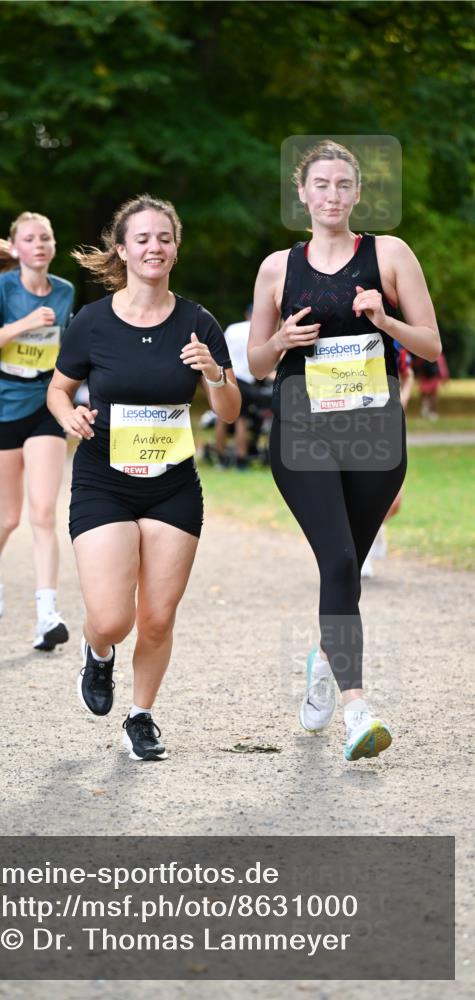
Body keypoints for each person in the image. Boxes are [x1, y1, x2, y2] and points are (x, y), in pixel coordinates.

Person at [248, 140, 441, 761]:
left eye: (342, 185)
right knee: (336, 558)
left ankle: (323, 661)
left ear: (357, 195)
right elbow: (253, 361)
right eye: (320, 184)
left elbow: (433, 346)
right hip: (303, 432)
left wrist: (385, 322)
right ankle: (357, 707)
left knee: (345, 569)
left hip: (374, 433)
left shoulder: (390, 254)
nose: (331, 195)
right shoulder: (278, 267)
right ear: (302, 195)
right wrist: (279, 338)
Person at [47, 195, 240, 761]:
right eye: (142, 239)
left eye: (164, 238)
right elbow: (58, 390)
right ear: (122, 250)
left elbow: (227, 412)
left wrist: (214, 372)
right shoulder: (92, 322)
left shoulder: (197, 322)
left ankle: (142, 716)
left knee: (157, 618)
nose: (153, 247)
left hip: (173, 484)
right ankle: (98, 651)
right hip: (104, 480)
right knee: (112, 617)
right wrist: (70, 416)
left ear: (175, 248)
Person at [0, 211, 75, 650]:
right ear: (15, 248)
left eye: (46, 237)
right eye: (30, 238)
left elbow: (65, 346)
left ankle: (47, 616)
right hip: (2, 404)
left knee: (43, 512)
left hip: (46, 403)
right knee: (8, 516)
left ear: (52, 245)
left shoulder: (64, 291)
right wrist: (23, 325)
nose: (40, 244)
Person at [361, 343, 414, 578]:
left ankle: (375, 527)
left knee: (393, 503)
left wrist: (401, 402)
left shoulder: (394, 341)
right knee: (357, 493)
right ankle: (362, 554)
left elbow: (408, 375)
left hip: (388, 425)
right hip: (353, 424)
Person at [214, 303, 270, 469]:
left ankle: (221, 457)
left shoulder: (232, 328)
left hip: (226, 376)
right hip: (244, 380)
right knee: (242, 420)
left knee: (221, 419)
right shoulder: (259, 333)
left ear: (246, 314)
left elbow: (219, 350)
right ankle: (241, 459)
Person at [415, 352, 449, 421]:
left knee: (429, 396)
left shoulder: (423, 354)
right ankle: (429, 412)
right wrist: (444, 377)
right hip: (428, 378)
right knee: (430, 396)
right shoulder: (437, 354)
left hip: (431, 378)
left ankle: (430, 412)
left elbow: (417, 364)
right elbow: (442, 366)